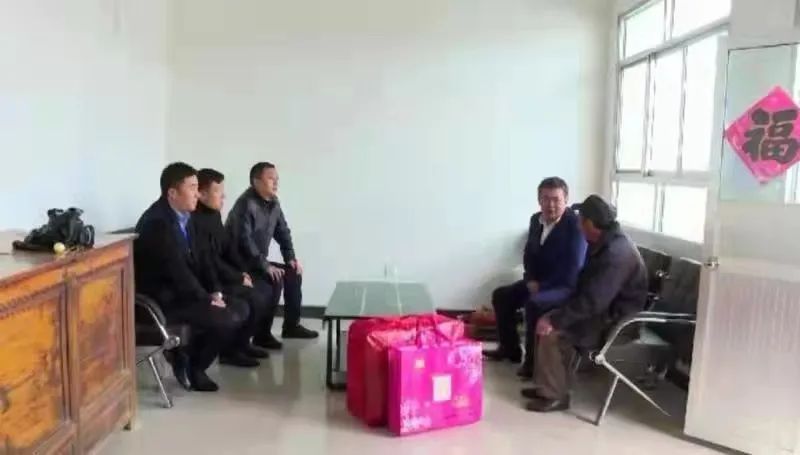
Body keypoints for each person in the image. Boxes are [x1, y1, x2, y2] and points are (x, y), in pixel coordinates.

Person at [524, 195, 648, 413]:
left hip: (616, 323)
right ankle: (547, 385)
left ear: (591, 223)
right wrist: (555, 314)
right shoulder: (605, 243)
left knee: (552, 333)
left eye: (581, 220)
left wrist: (556, 319)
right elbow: (588, 292)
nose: (578, 225)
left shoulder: (615, 254)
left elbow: (593, 301)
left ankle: (555, 395)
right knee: (545, 317)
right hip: (604, 313)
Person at [134, 162, 249, 392]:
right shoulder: (157, 224)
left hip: (185, 293)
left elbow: (205, 259)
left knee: (241, 307)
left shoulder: (188, 217)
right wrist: (206, 299)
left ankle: (185, 357)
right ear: (172, 193)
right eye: (193, 187)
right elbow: (177, 272)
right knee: (225, 318)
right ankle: (193, 368)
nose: (198, 194)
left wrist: (215, 291)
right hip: (163, 301)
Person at [483, 177, 587, 378]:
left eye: (556, 199)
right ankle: (510, 350)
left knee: (534, 304)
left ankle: (532, 364)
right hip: (537, 282)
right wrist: (530, 279)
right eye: (545, 199)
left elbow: (573, 268)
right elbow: (528, 254)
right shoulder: (535, 220)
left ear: (566, 200)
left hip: (564, 286)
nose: (551, 205)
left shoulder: (575, 226)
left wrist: (543, 286)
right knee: (502, 295)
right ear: (539, 200)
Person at [226, 162, 319, 349]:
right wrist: (266, 266)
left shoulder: (274, 202)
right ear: (256, 182)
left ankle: (291, 326)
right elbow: (244, 241)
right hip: (239, 264)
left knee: (292, 272)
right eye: (270, 178)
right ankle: (262, 335)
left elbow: (283, 232)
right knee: (273, 278)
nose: (276, 183)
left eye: (277, 179)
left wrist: (290, 258)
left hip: (257, 260)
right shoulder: (245, 204)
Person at [193, 168, 275, 367]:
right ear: (201, 194)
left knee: (264, 290)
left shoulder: (213, 214)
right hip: (208, 280)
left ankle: (243, 344)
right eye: (217, 192)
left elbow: (228, 248)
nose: (223, 196)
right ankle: (230, 351)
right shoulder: (195, 220)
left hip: (221, 274)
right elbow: (210, 260)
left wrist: (242, 271)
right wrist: (237, 277)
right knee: (252, 297)